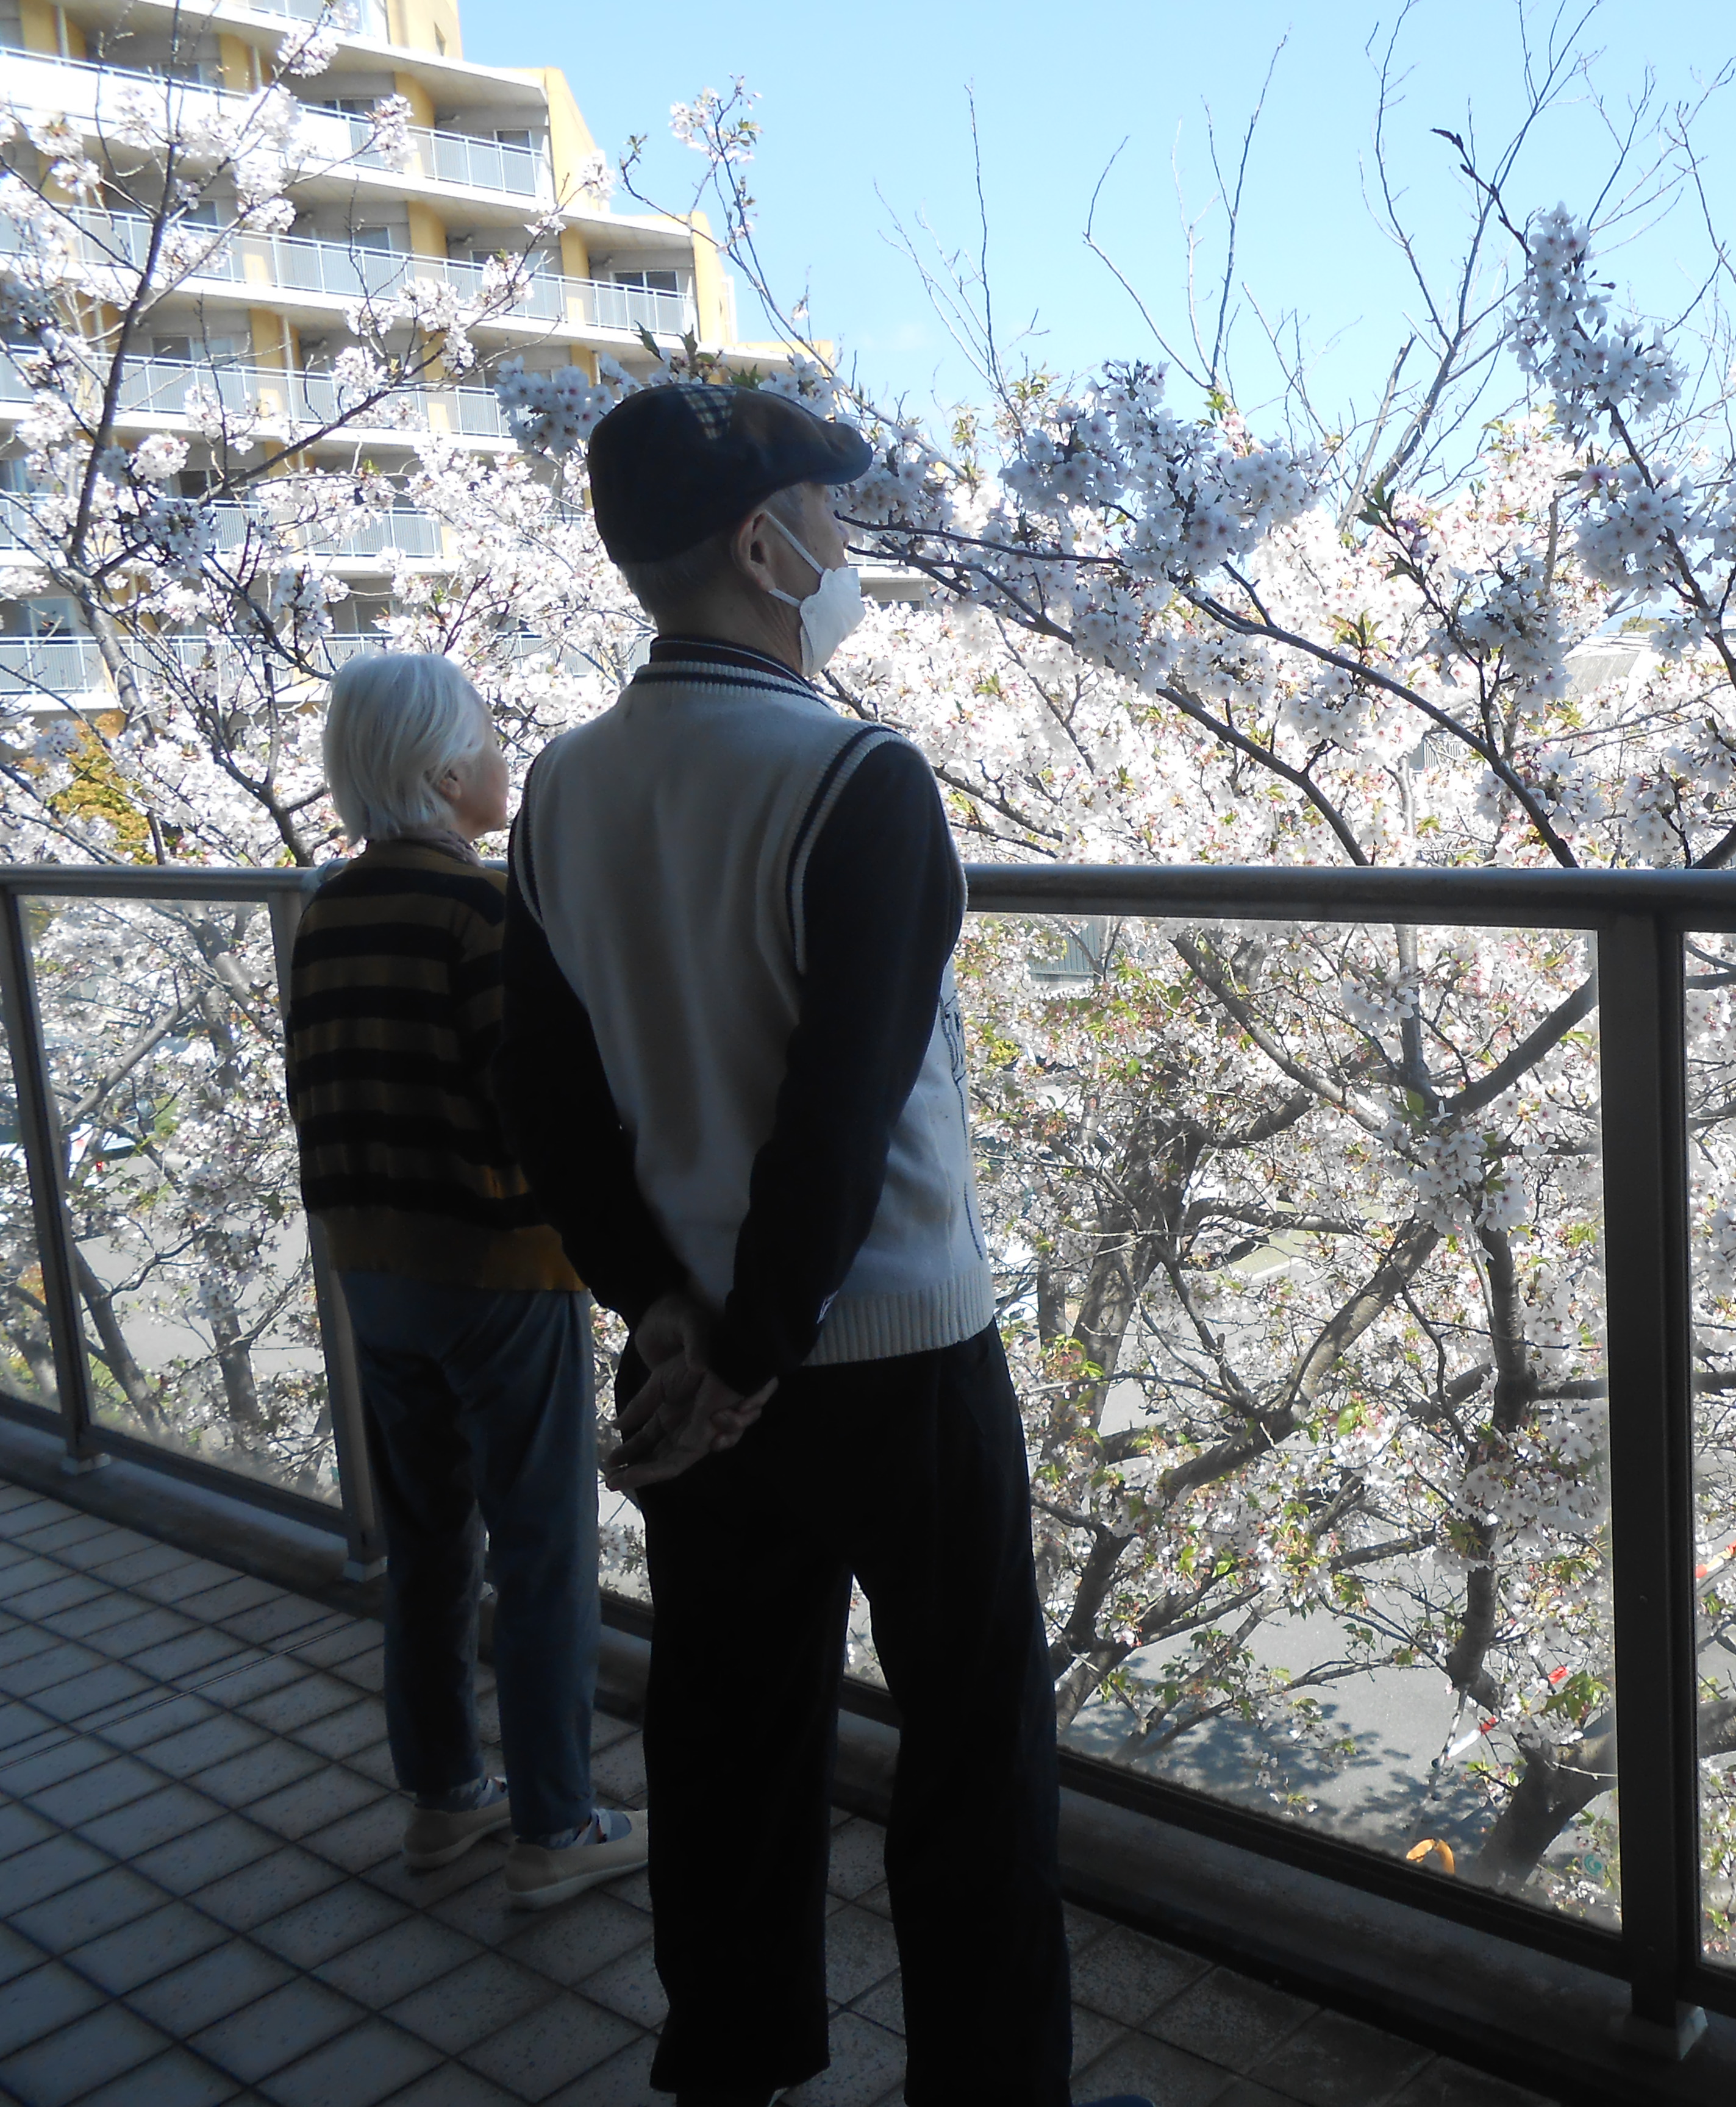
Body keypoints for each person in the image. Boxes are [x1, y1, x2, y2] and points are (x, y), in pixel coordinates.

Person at [489, 385, 1149, 2107]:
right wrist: (757, 1344)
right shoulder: (861, 779)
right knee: (974, 1740)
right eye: (827, 519)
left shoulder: (558, 792)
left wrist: (672, 1318)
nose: (844, 549)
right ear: (763, 544)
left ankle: (734, 2064)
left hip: (691, 1356)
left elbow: (548, 1097)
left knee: (726, 1726)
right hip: (895, 1350)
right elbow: (844, 1116)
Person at [284, 652, 650, 1909]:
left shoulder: (327, 909)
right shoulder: (483, 912)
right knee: (542, 1551)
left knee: (431, 1540)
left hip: (371, 1267)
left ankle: (444, 1797)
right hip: (497, 1266)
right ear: (446, 774)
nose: (504, 760)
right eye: (488, 741)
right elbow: (531, 1104)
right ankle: (557, 1823)